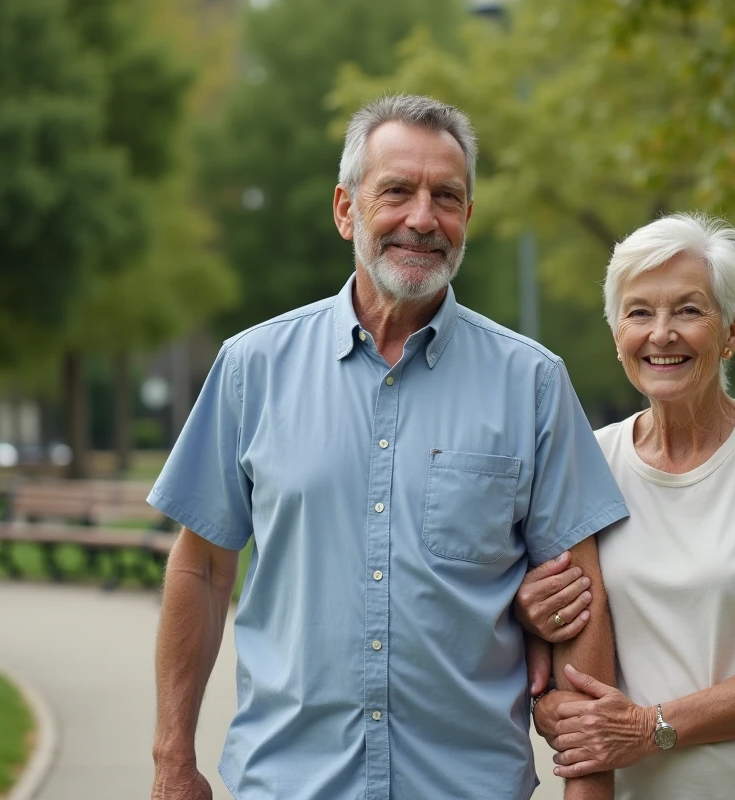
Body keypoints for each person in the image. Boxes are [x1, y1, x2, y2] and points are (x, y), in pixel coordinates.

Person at [147, 95, 628, 800]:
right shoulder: (252, 368)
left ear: (468, 217)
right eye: (397, 191)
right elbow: (202, 572)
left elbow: (578, 598)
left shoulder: (532, 383)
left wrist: (589, 790)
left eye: (448, 197)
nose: (423, 219)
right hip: (289, 783)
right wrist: (171, 759)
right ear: (346, 209)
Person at [515, 213, 735, 799]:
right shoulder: (586, 464)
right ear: (616, 334)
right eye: (638, 312)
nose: (661, 334)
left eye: (688, 310)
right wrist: (530, 624)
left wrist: (652, 727)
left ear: (731, 330)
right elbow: (569, 629)